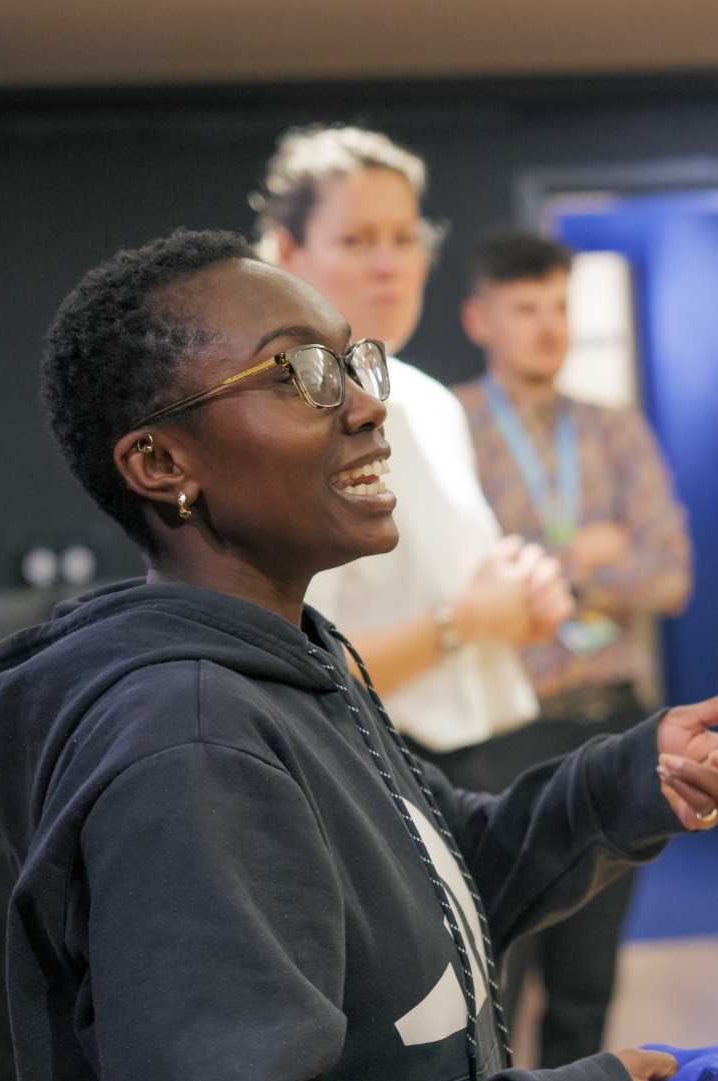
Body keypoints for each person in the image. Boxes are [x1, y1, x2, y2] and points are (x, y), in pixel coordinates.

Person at [0, 228, 718, 1081]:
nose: (367, 408)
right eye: (298, 376)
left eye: (351, 364)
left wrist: (621, 782)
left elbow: (425, 883)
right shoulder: (195, 746)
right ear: (163, 467)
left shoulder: (290, 662)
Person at [452, 231, 695, 1081]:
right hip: (500, 728)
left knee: (589, 983)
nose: (545, 327)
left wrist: (555, 571)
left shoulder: (615, 428)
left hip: (613, 732)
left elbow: (671, 571)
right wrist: (583, 553)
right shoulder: (445, 429)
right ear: (481, 320)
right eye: (524, 308)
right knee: (487, 984)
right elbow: (459, 580)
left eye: (558, 307)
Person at [252, 125, 573, 780]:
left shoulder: (431, 404)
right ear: (288, 252)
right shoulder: (276, 416)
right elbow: (277, 664)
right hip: (348, 766)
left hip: (462, 765)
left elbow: (462, 610)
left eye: (403, 238)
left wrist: (520, 602)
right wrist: (463, 622)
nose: (388, 264)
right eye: (356, 240)